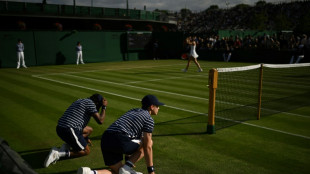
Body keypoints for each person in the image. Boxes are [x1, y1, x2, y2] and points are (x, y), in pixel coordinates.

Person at [77, 94, 164, 174]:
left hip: (106, 139)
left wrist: (128, 160)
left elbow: (130, 134)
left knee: (118, 172)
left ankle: (90, 173)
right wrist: (151, 170)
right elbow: (147, 146)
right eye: (157, 106)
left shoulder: (133, 111)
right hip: (119, 139)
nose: (158, 108)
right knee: (149, 142)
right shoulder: (148, 119)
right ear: (152, 107)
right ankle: (127, 168)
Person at [44, 94, 108, 167]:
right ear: (96, 102)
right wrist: (104, 107)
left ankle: (68, 144)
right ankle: (58, 154)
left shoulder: (80, 100)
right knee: (86, 151)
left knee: (89, 130)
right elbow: (100, 120)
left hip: (60, 128)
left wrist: (85, 138)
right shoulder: (91, 104)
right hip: (69, 129)